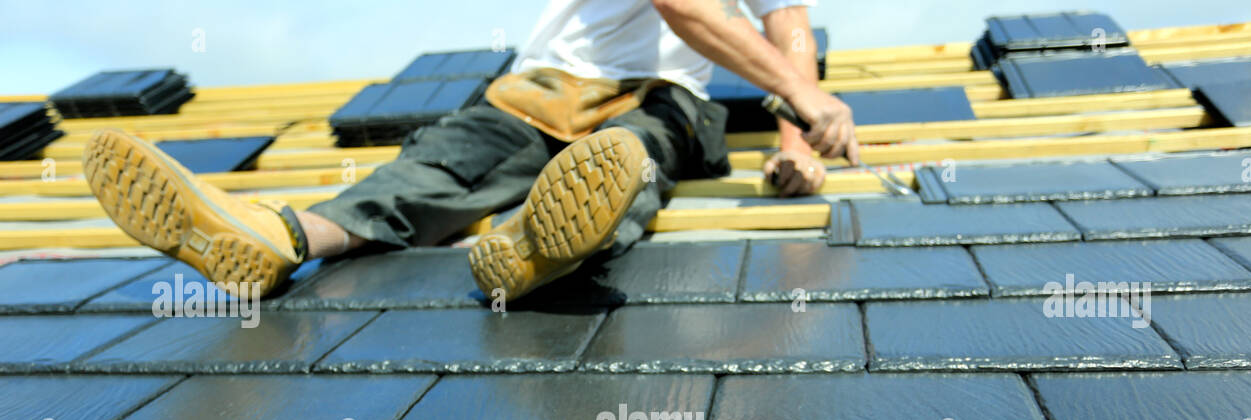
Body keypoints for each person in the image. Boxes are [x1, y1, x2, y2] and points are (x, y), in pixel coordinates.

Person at [84, 0, 858, 303]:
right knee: (443, 167)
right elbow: (686, 8)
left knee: (625, 164)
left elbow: (787, 27)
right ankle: (273, 237)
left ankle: (529, 244)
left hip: (655, 98)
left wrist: (799, 142)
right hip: (546, 87)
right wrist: (814, 106)